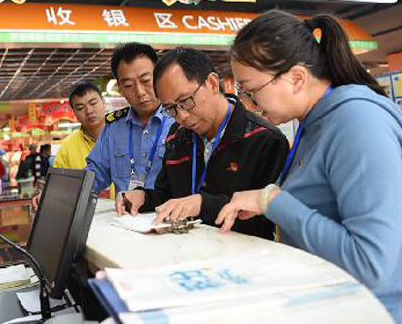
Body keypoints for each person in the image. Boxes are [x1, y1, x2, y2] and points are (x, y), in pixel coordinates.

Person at [214, 11, 402, 321]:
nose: (251, 103)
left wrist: (272, 201)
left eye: (252, 90)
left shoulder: (357, 123)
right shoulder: (313, 121)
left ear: (297, 78)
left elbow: (371, 264)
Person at [119, 48, 289, 239]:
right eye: (171, 109)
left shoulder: (264, 139)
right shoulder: (177, 136)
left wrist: (202, 204)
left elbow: (264, 219)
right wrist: (143, 197)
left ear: (212, 83)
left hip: (240, 253)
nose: (182, 116)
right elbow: (167, 195)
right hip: (183, 249)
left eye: (186, 101)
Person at [86, 42, 175, 194]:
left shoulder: (180, 120)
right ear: (120, 88)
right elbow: (95, 174)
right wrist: (62, 192)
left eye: (146, 81)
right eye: (128, 85)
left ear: (159, 76)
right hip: (125, 209)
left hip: (168, 209)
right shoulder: (114, 127)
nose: (140, 92)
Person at [31, 81, 106, 210]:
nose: (89, 111)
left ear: (103, 103)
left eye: (93, 103)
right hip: (85, 215)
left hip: (128, 214)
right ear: (74, 114)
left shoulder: (124, 135)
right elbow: (59, 185)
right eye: (80, 108)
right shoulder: (67, 147)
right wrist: (48, 195)